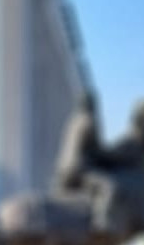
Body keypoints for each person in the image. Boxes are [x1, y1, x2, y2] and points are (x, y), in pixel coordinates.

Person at [53, 90, 124, 235]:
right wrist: (116, 157)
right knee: (109, 187)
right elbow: (98, 151)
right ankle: (100, 222)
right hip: (79, 171)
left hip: (62, 171)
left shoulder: (73, 122)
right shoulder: (89, 121)